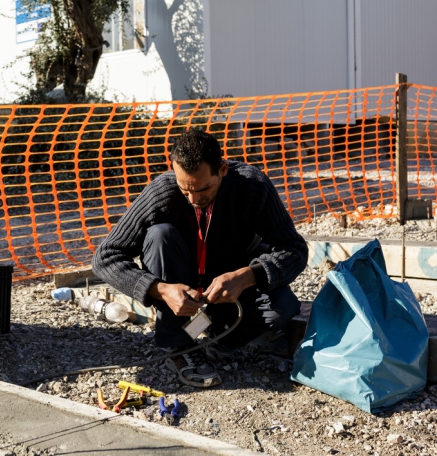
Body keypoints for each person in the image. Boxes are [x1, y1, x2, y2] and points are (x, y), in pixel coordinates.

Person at [92, 128, 308, 388]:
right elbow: (105, 257)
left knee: (282, 306)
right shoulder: (161, 192)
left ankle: (219, 341)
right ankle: (179, 345)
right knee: (160, 236)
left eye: (204, 188)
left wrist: (248, 276)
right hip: (179, 279)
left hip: (230, 286)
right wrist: (159, 289)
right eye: (185, 190)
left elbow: (295, 249)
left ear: (223, 170)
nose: (194, 199)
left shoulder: (253, 187)